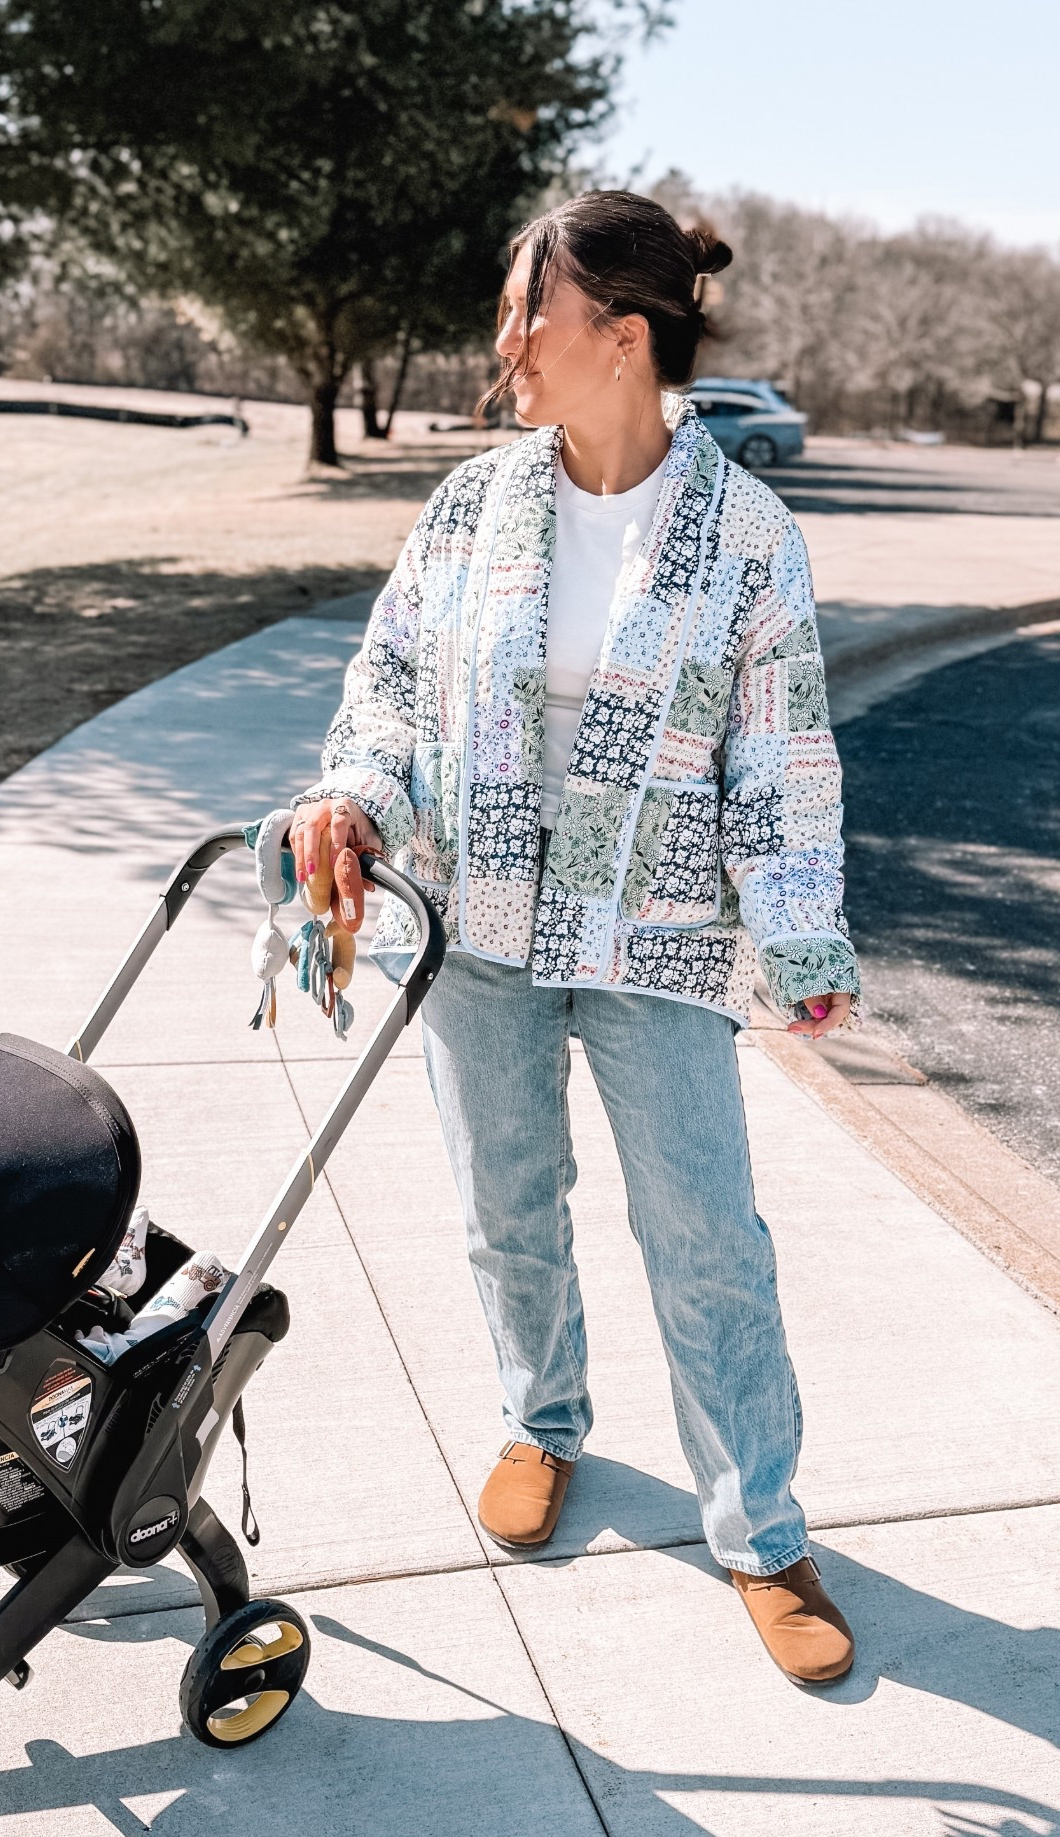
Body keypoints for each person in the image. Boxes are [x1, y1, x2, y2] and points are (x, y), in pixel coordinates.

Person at [290, 191, 859, 1685]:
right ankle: (541, 1422)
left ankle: (762, 1528)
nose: (506, 344)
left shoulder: (747, 538)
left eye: (527, 314)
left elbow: (782, 756)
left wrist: (800, 934)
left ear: (623, 335)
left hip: (657, 944)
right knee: (506, 1206)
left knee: (707, 1239)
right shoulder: (471, 506)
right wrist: (354, 795)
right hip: (477, 927)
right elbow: (390, 689)